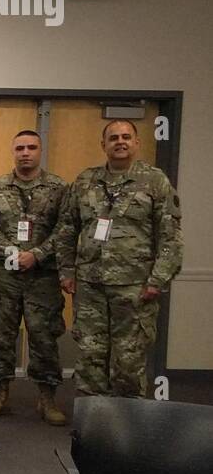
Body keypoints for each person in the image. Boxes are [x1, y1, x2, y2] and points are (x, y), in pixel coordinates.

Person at [54, 119, 183, 399]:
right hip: (90, 287)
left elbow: (170, 236)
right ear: (104, 145)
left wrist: (158, 279)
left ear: (136, 143)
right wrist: (66, 270)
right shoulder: (85, 181)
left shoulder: (154, 181)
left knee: (129, 358)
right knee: (90, 355)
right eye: (113, 138)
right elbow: (66, 229)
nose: (120, 142)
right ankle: (93, 426)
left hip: (135, 287)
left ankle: (127, 428)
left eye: (126, 137)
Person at [0, 131, 68, 424]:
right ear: (12, 151)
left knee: (44, 335)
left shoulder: (59, 188)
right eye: (20, 148)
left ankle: (47, 398)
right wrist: (13, 252)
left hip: (43, 276)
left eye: (31, 147)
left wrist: (37, 254)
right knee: (0, 335)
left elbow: (67, 228)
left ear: (40, 151)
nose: (25, 152)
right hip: (4, 274)